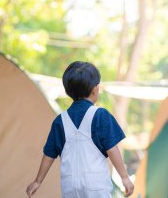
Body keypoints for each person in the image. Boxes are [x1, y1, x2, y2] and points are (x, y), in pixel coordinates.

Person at [26, 61, 134, 198]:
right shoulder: (100, 115)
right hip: (96, 185)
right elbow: (112, 148)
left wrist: (37, 181)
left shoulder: (60, 121)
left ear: (67, 91)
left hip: (70, 186)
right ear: (95, 89)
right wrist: (124, 177)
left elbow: (49, 154)